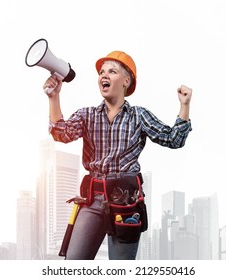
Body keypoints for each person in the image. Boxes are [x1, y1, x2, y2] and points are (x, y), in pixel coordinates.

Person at [44, 50, 192, 260]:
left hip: (126, 203)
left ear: (126, 81)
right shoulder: (87, 115)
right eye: (102, 72)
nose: (104, 75)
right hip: (92, 201)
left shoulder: (139, 116)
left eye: (112, 71)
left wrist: (184, 106)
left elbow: (174, 140)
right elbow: (61, 134)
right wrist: (54, 96)